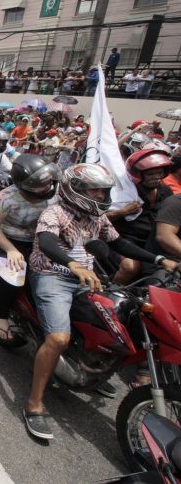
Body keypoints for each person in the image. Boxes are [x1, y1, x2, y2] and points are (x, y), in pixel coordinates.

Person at [24, 164, 178, 440]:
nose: (101, 195)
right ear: (76, 190)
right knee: (58, 339)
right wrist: (73, 265)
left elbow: (119, 244)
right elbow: (47, 242)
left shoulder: (97, 217)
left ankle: (89, 368)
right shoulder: (54, 211)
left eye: (103, 191)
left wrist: (158, 260)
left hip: (87, 279)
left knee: (114, 325)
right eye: (95, 190)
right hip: (51, 276)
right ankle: (34, 403)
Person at [0, 154, 59, 340]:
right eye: (40, 183)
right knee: (14, 272)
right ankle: (1, 315)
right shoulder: (7, 198)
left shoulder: (54, 195)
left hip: (39, 240)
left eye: (47, 181)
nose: (47, 186)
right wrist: (10, 249)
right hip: (6, 240)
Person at [107, 148, 173, 283]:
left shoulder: (165, 191)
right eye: (151, 174)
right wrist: (123, 212)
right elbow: (99, 219)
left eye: (159, 173)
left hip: (154, 241)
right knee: (130, 267)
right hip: (125, 240)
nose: (156, 177)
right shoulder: (121, 192)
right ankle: (112, 292)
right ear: (137, 174)